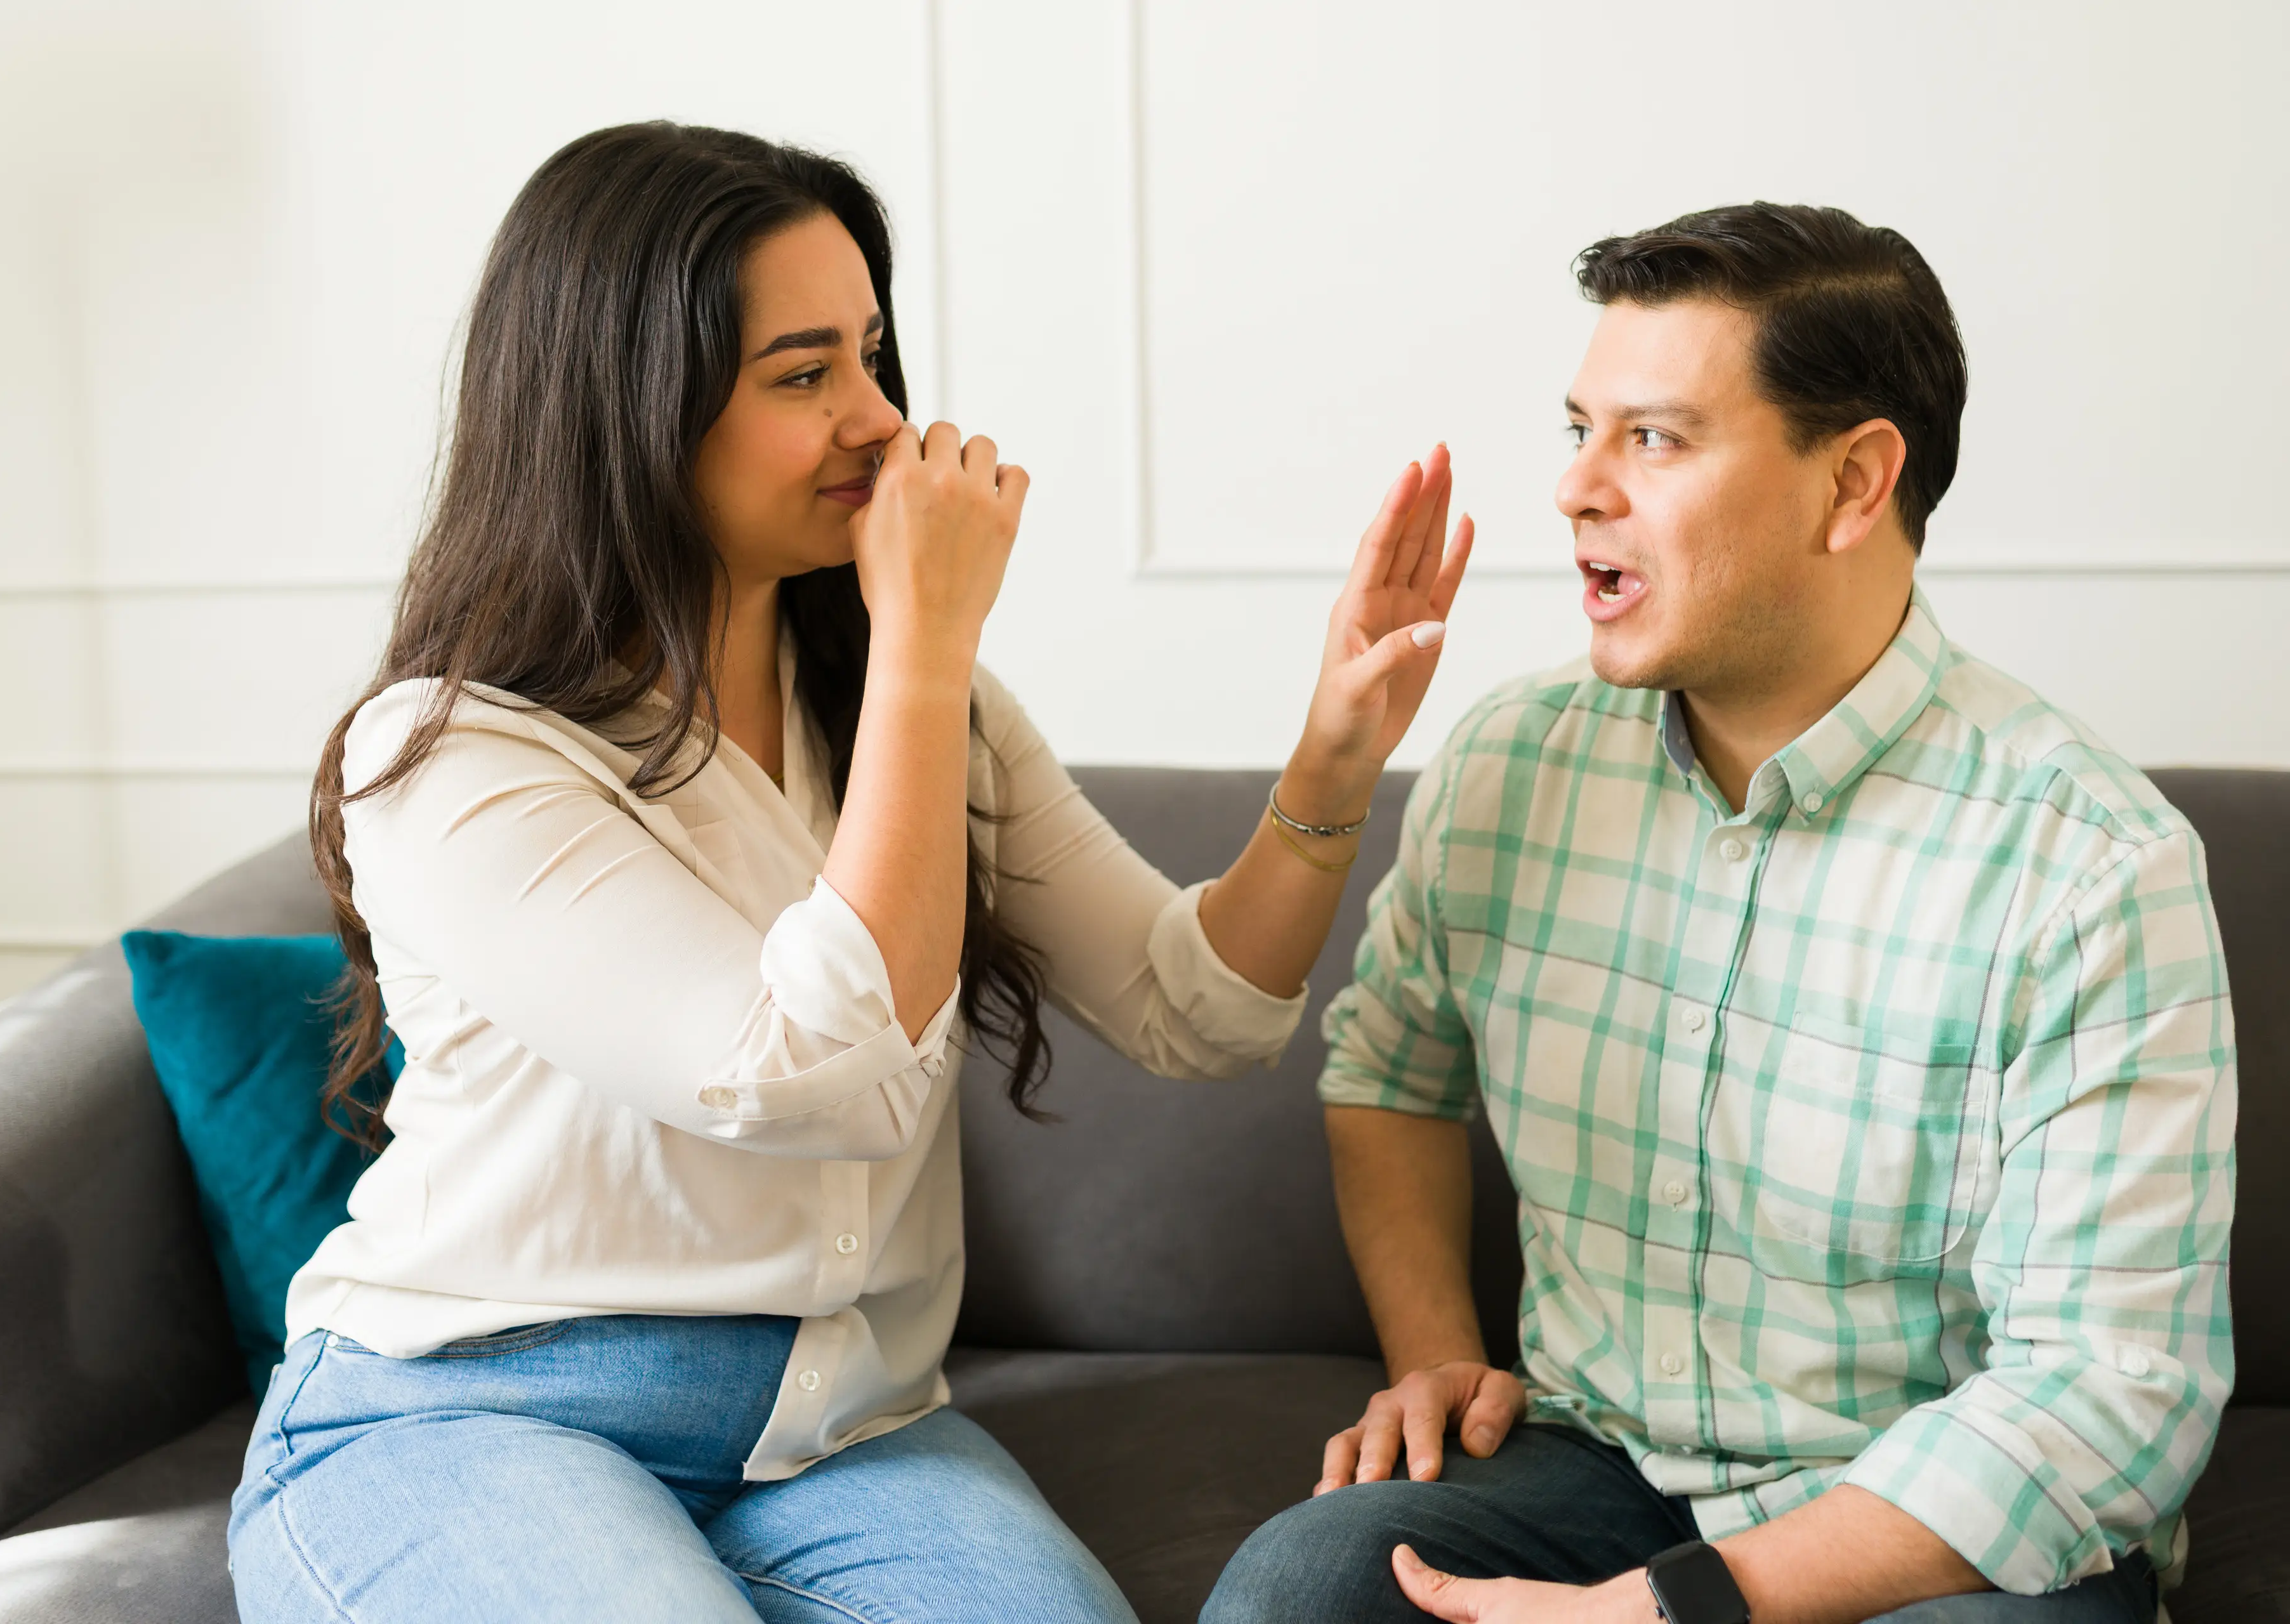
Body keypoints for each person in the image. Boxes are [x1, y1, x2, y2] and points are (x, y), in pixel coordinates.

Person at [226, 122, 1472, 1624]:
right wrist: (929, 641)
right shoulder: (451, 758)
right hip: (477, 1410)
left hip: (837, 1433)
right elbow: (806, 1071)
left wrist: (1334, 755)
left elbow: (1199, 1007)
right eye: (804, 374)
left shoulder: (905, 701)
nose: (881, 422)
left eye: (874, 356)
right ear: (631, 412)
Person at [1203, 204, 2235, 1624]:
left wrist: (1674, 1606)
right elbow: (1389, 1072)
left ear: (1854, 482)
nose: (1576, 489)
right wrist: (1438, 1352)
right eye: (1579, 428)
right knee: (1300, 1589)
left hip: (1927, 1515)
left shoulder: (2090, 861)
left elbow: (2106, 1392)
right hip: (1593, 1465)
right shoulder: (1508, 762)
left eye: (1655, 439)